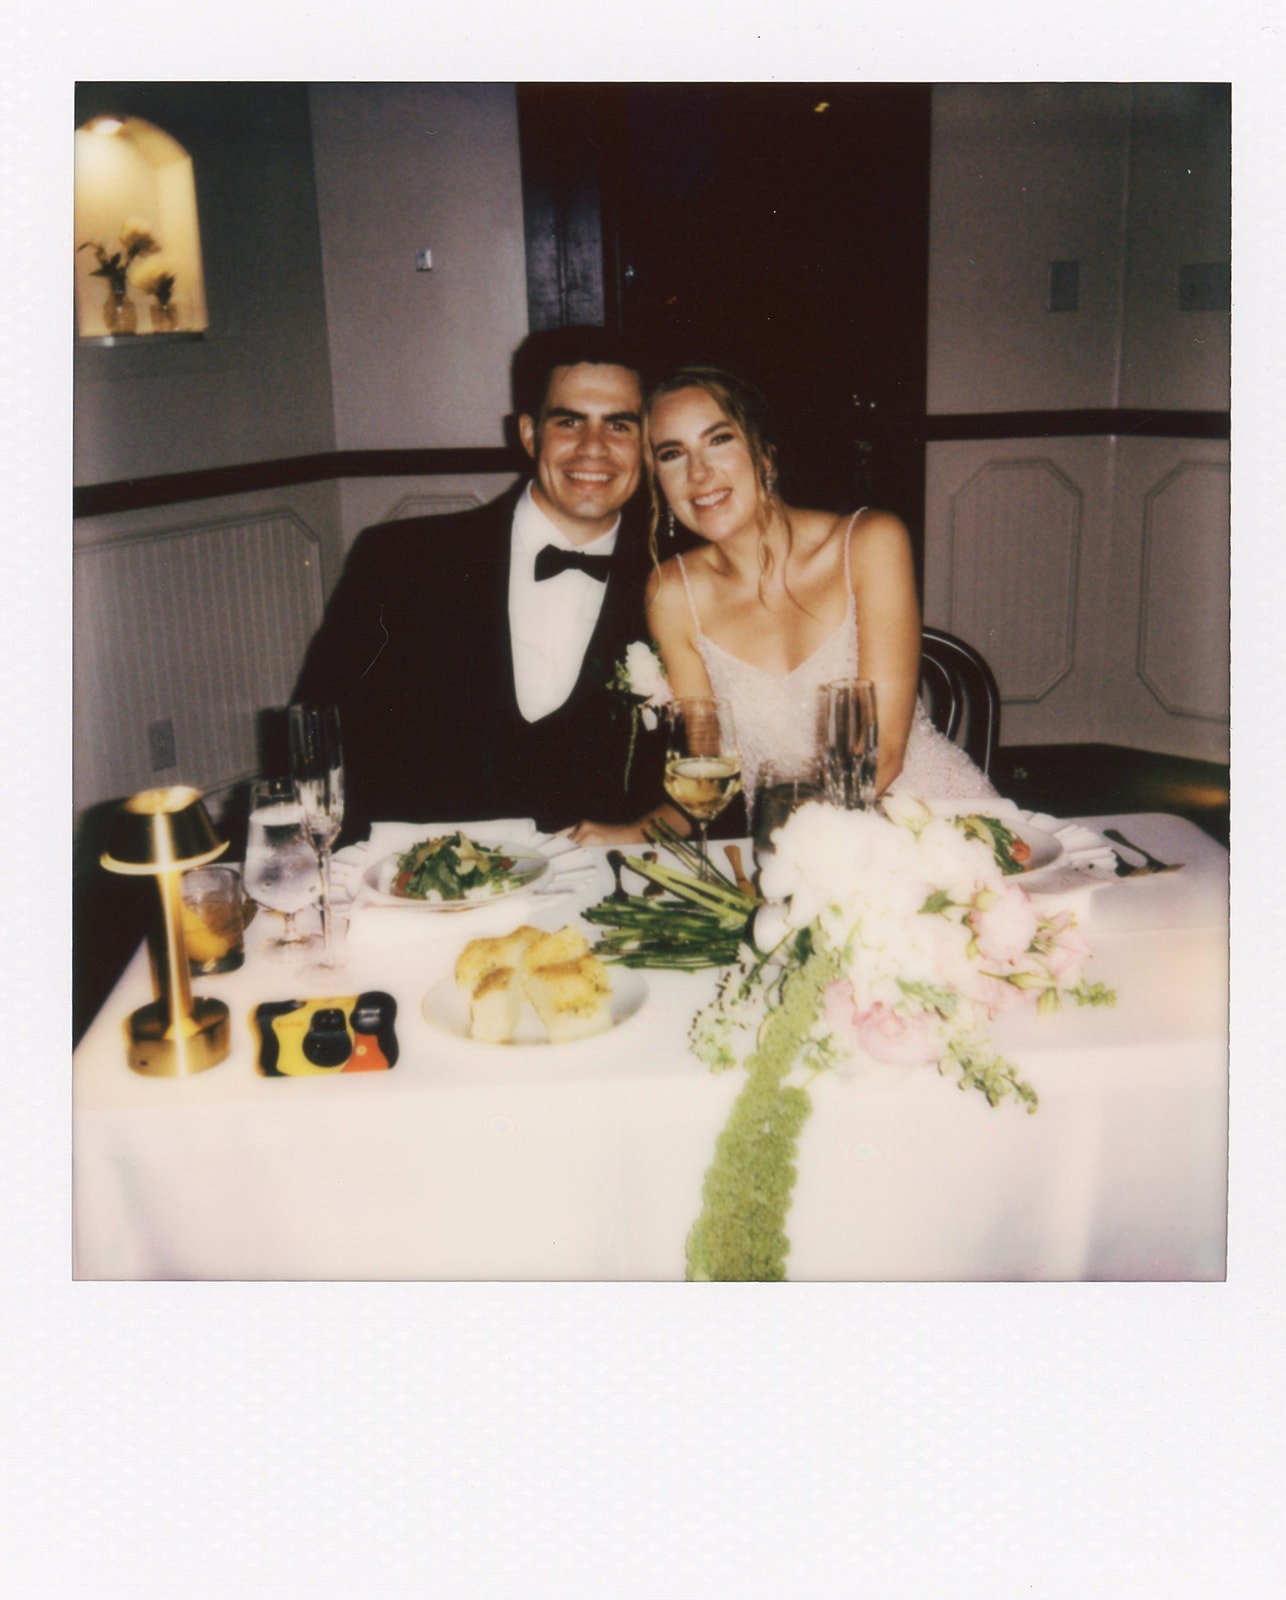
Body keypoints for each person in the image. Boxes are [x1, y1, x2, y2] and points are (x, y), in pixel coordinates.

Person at [292, 326, 663, 842]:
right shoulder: (401, 561)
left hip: (609, 878)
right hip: (421, 876)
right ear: (529, 434)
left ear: (646, 443)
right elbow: (318, 738)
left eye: (619, 425)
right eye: (569, 421)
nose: (593, 448)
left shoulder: (678, 583)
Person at [642, 363, 997, 824]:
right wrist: (629, 834)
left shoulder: (870, 542)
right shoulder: (672, 593)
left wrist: (795, 849)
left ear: (764, 455)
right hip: (796, 848)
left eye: (719, 439)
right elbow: (705, 778)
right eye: (672, 454)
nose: (698, 472)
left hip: (936, 825)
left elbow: (883, 758)